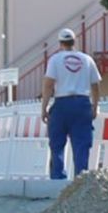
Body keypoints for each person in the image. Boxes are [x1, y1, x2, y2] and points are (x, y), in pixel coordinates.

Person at [41, 28, 102, 180]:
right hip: (82, 104)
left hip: (61, 104)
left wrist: (44, 108)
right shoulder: (87, 60)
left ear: (60, 43)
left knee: (57, 144)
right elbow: (95, 85)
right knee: (82, 145)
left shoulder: (55, 60)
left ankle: (57, 179)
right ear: (74, 42)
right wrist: (95, 106)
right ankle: (80, 181)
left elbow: (48, 85)